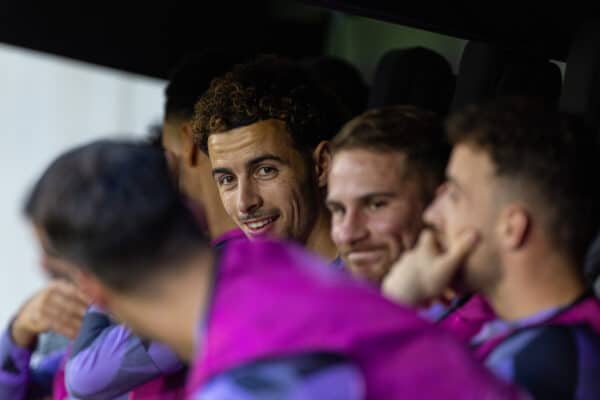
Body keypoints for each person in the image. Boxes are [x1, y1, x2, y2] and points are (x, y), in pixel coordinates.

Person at [27, 139, 522, 399]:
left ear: (90, 287)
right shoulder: (272, 260)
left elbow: (86, 380)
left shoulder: (248, 384)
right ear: (198, 216)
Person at [383, 97, 600, 399]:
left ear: (512, 228)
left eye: (455, 195)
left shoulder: (543, 364)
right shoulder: (530, 339)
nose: (432, 214)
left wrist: (395, 305)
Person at [192, 55, 350, 262]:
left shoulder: (372, 283)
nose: (244, 203)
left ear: (321, 165)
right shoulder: (220, 267)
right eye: (227, 179)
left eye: (265, 170)